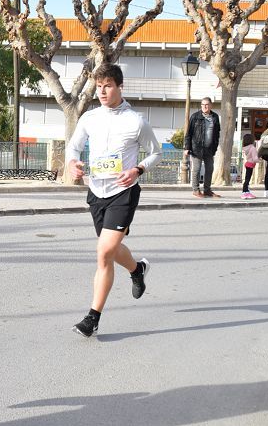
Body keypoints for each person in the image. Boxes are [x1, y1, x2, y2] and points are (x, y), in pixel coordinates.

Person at [66, 63, 161, 338]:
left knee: (103, 252)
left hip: (123, 192)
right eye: (99, 86)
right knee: (109, 249)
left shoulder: (136, 121)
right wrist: (72, 162)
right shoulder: (89, 118)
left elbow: (155, 153)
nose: (102, 91)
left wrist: (137, 170)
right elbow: (74, 146)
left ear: (120, 86)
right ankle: (138, 269)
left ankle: (92, 318)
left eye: (108, 86)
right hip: (96, 191)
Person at [184, 96, 221, 198]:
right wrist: (187, 147)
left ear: (210, 105)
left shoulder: (215, 117)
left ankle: (207, 190)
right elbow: (188, 133)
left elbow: (217, 133)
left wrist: (215, 146)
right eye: (203, 105)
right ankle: (196, 190)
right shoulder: (195, 116)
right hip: (197, 148)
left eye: (206, 104)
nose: (204, 106)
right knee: (197, 169)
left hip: (209, 148)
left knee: (209, 169)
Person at [240, 132, 258, 199]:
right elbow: (255, 158)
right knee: (247, 179)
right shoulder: (252, 148)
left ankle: (246, 191)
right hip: (251, 164)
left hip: (248, 163)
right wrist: (259, 160)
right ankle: (245, 192)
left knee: (247, 179)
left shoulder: (246, 148)